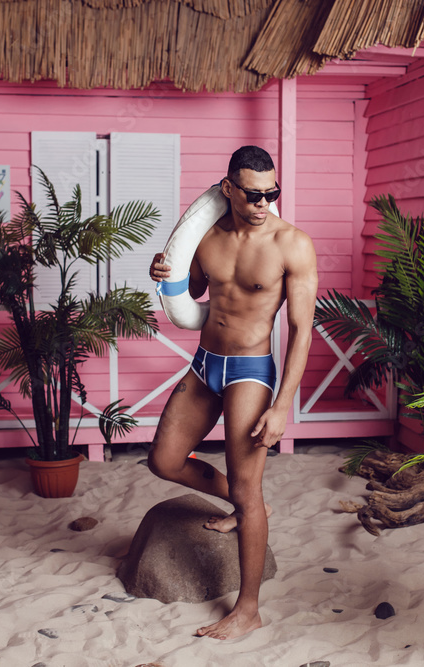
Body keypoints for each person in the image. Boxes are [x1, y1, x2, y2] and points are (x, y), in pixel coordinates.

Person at [147, 145, 318, 640]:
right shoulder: (207, 239)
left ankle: (248, 608)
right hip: (205, 364)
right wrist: (164, 273)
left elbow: (302, 331)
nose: (263, 202)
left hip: (250, 370)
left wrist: (283, 405)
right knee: (164, 460)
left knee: (249, 483)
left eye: (272, 193)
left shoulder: (292, 245)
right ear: (228, 189)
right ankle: (248, 508)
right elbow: (195, 292)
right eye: (253, 193)